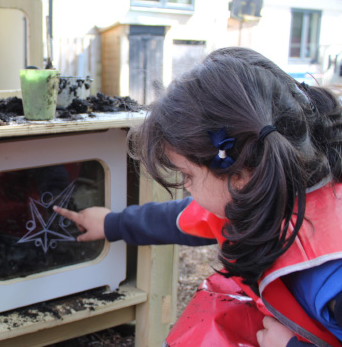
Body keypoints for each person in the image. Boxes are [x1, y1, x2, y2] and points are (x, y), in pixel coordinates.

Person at [54, 47, 342, 347]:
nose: (186, 188)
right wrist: (112, 223)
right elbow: (184, 218)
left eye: (187, 176)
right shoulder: (263, 193)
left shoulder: (329, 272)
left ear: (241, 176)